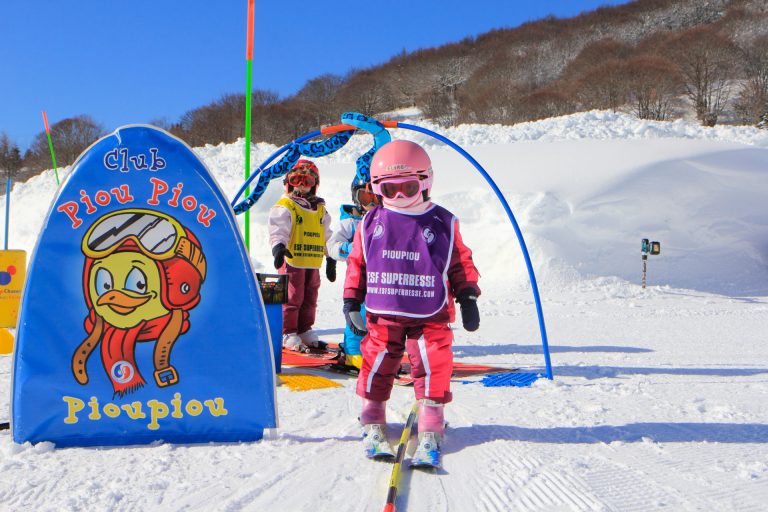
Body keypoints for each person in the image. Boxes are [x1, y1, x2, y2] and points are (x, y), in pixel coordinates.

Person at [342, 140, 481, 466]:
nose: (400, 197)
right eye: (390, 190)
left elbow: (459, 261)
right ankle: (372, 416)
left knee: (433, 365)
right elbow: (358, 264)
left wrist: (468, 295)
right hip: (384, 311)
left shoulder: (443, 222)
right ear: (377, 189)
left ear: (425, 182)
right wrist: (351, 300)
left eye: (408, 187)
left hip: (429, 312)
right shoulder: (371, 222)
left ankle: (431, 422)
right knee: (377, 364)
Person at [268, 159, 336, 352]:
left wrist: (330, 256)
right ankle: (287, 331)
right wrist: (278, 248)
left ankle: (305, 329)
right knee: (292, 296)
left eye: (307, 181)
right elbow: (278, 230)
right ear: (289, 182)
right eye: (297, 179)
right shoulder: (286, 206)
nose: (301, 186)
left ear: (315, 184)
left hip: (312, 261)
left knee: (310, 296)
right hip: (293, 259)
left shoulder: (320, 209)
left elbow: (326, 234)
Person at [326, 177, 379, 369]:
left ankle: (376, 351)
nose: (372, 203)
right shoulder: (351, 222)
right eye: (365, 197)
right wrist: (353, 248)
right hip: (357, 279)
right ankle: (353, 352)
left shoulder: (388, 220)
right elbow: (332, 246)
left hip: (381, 280)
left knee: (380, 317)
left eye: (376, 197)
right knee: (357, 314)